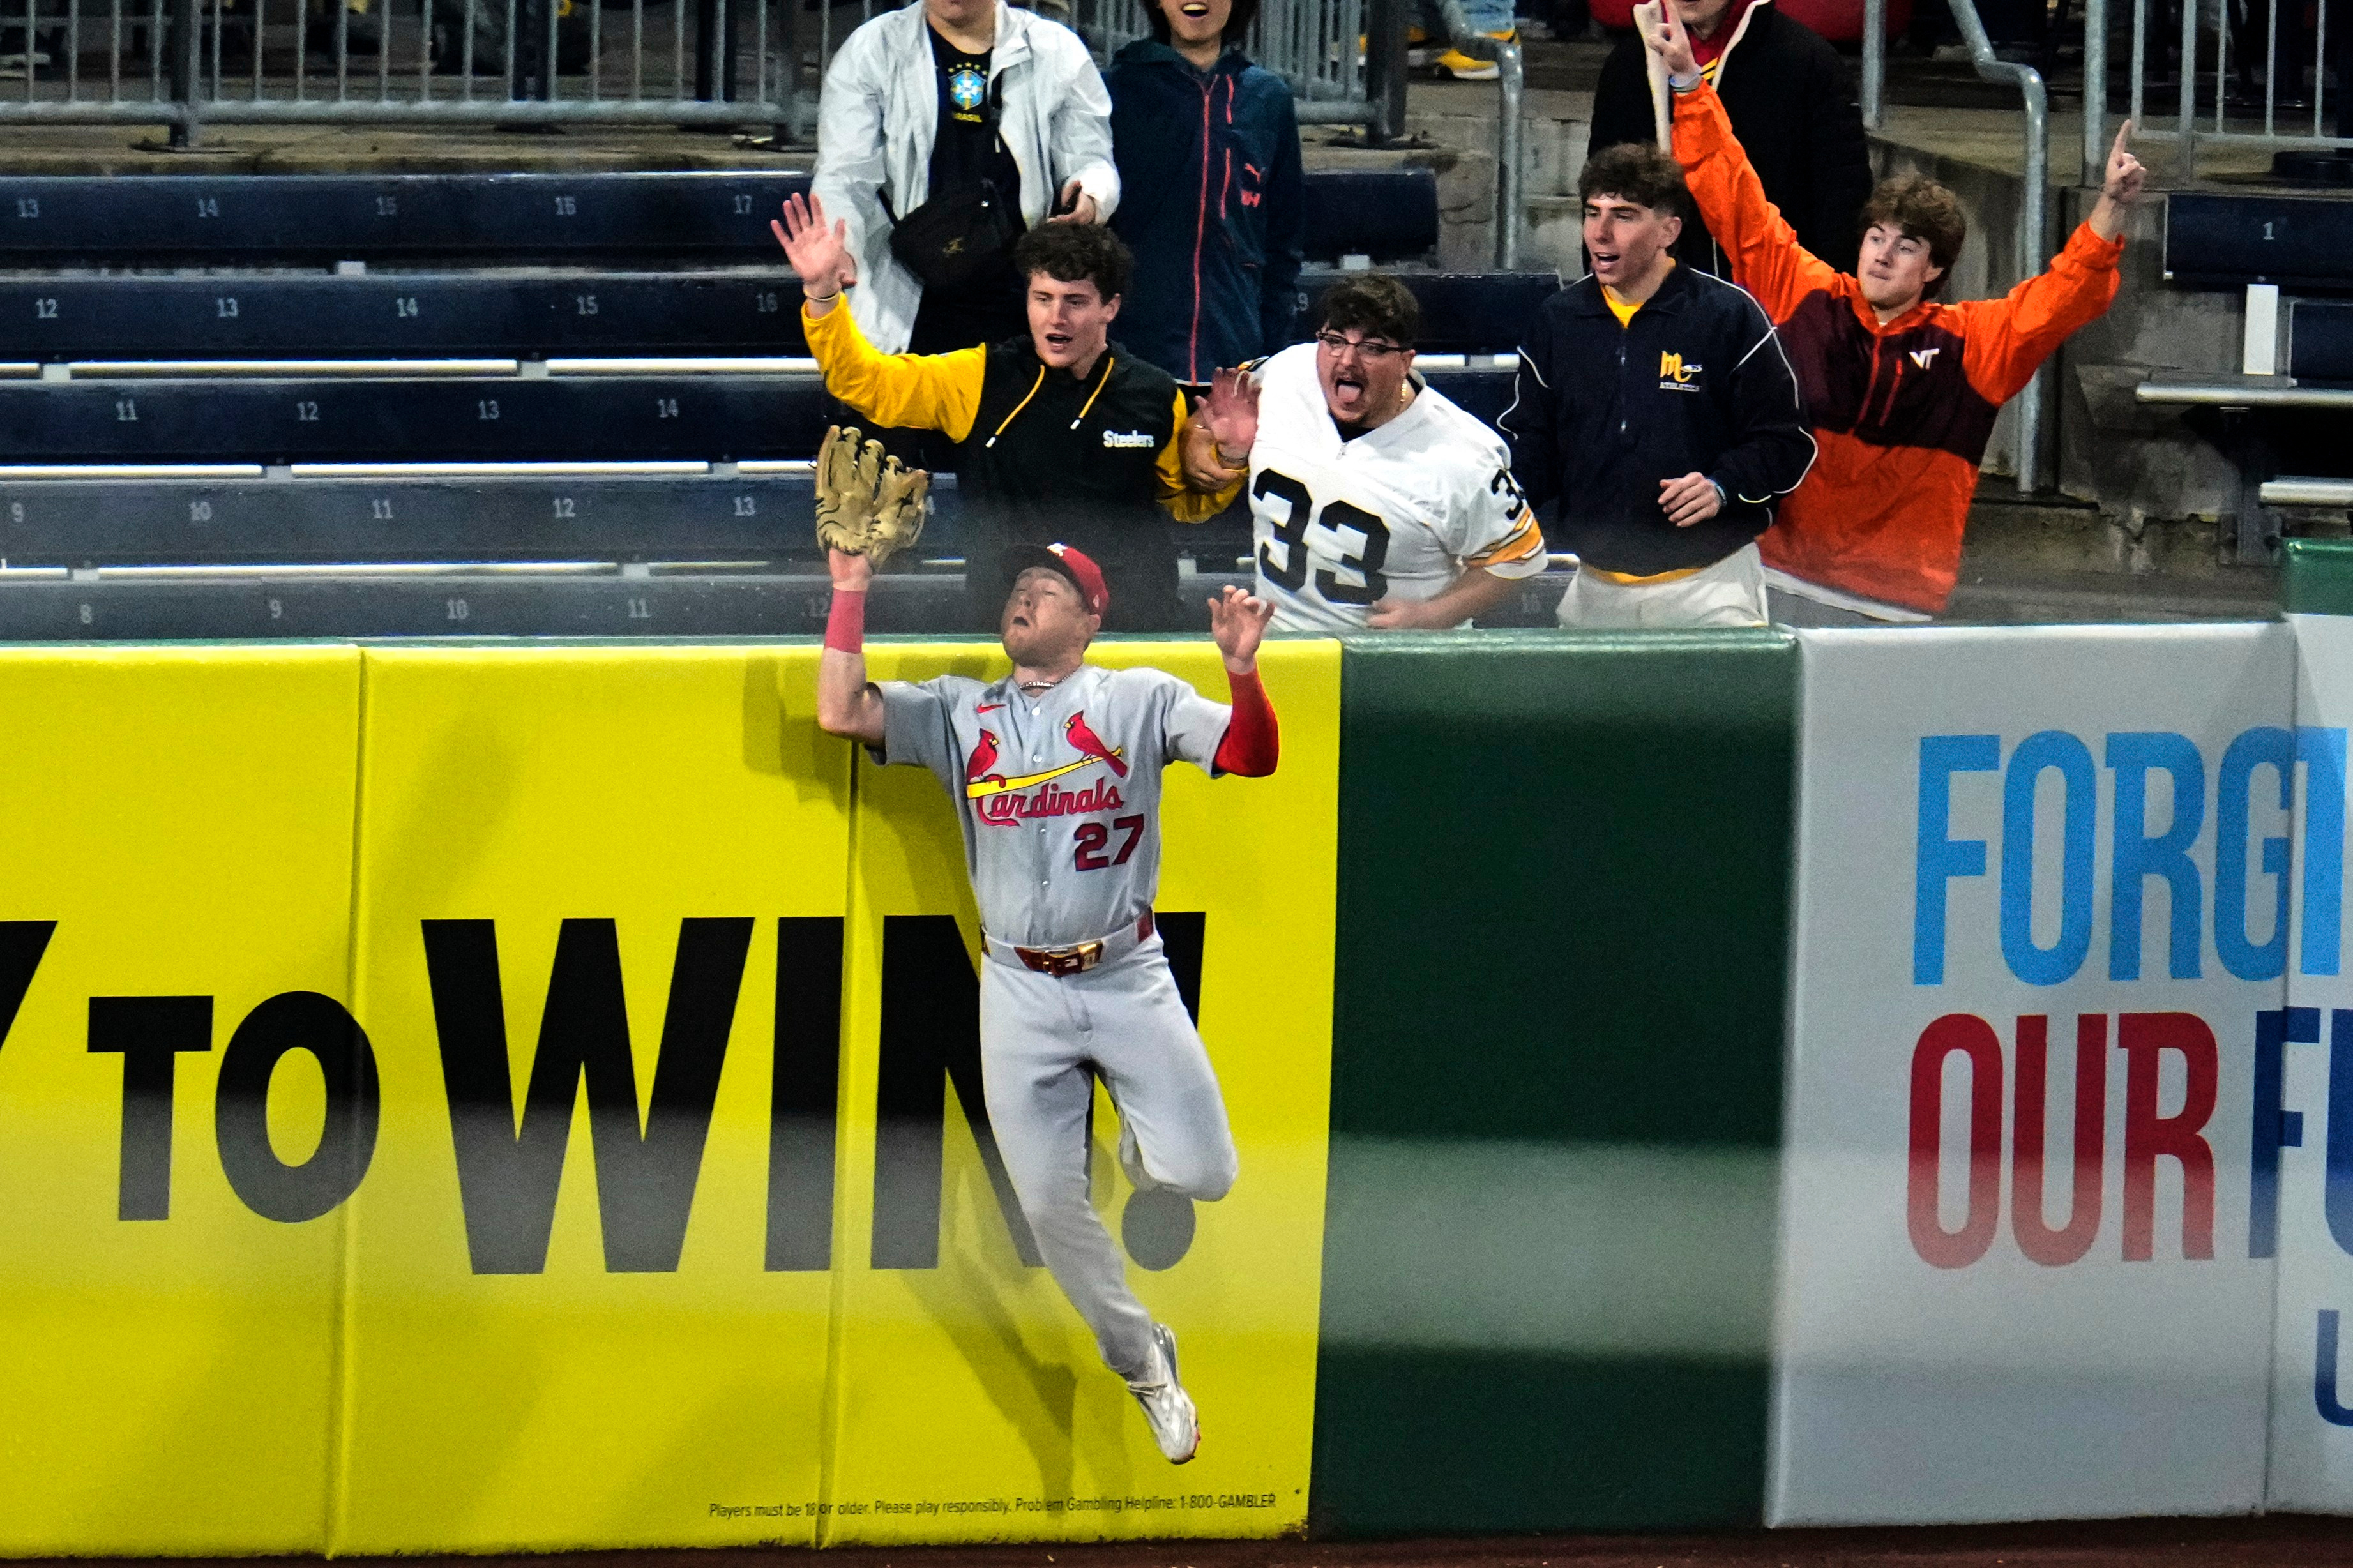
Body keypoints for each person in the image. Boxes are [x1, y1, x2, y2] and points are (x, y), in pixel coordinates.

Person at [813, 537, 1280, 1465]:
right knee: (1049, 1209)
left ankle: (1146, 1142)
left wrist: (1241, 671)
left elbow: (1250, 756)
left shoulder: (1134, 697)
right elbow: (839, 712)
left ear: (1091, 618)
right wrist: (850, 589)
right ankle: (1144, 1363)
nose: (1027, 592)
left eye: (1051, 586)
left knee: (1206, 1174)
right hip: (1017, 987)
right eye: (1021, 582)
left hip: (1124, 973)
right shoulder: (961, 708)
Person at [1647, 6, 2145, 624]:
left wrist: (2110, 209)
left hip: (1895, 608)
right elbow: (1735, 198)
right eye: (1876, 237)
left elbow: (2063, 296)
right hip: (1770, 580)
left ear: (1935, 270)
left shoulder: (1974, 343)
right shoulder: (1806, 292)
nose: (1881, 256)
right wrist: (1690, 87)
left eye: (1905, 246)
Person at [775, 199, 1235, 631]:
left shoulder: (1153, 392)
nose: (1056, 318)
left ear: (1109, 308)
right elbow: (863, 381)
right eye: (1043, 298)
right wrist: (821, 295)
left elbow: (1187, 504)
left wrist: (1230, 461)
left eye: (1075, 302)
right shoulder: (976, 378)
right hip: (1011, 639)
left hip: (1133, 632)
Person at [1502, 144, 1813, 628]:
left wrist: (1723, 486)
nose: (1600, 233)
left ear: (1668, 230)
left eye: (1624, 216)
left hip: (1710, 591)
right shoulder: (1556, 321)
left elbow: (1787, 441)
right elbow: (1533, 446)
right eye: (1592, 213)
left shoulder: (1726, 316)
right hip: (1593, 591)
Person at [1184, 273, 1550, 631]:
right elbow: (1214, 411)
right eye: (1334, 341)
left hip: (1394, 663)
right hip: (1279, 648)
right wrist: (1199, 438)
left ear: (1406, 362)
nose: (1347, 361)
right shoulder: (1284, 372)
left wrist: (1432, 617)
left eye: (1372, 348)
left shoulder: (1464, 454)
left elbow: (1519, 557)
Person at [810, 0, 1119, 360]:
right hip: (909, 299)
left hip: (1020, 302)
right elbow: (845, 175)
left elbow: (1091, 158)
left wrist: (1091, 197)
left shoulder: (1057, 48)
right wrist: (842, 245)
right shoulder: (871, 49)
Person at [1105, 0, 1306, 389]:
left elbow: (1283, 240)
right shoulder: (1116, 89)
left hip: (1235, 356)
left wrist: (1273, 355)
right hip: (1130, 354)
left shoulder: (1268, 98)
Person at [1587, 0, 1872, 273]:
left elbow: (1842, 203)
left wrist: (1825, 310)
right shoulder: (1626, 65)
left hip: (1776, 302)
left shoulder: (1809, 63)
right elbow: (1601, 191)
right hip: (1656, 302)